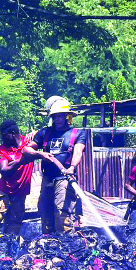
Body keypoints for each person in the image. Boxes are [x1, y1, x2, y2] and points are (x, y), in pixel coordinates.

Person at [0, 120, 65, 236]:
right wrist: (20, 161)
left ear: (13, 133)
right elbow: (4, 171)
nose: (2, 139)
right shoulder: (3, 149)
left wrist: (36, 132)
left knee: (14, 226)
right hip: (3, 191)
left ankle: (6, 248)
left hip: (20, 194)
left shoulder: (28, 143)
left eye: (4, 136)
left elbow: (44, 133)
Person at [28, 97, 87, 233]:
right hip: (47, 177)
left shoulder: (77, 133)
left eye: (60, 116)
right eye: (55, 117)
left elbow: (78, 152)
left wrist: (72, 167)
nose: (57, 119)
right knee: (44, 209)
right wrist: (39, 154)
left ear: (67, 116)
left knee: (62, 210)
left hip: (64, 178)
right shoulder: (45, 132)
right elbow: (28, 148)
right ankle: (48, 242)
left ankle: (65, 242)